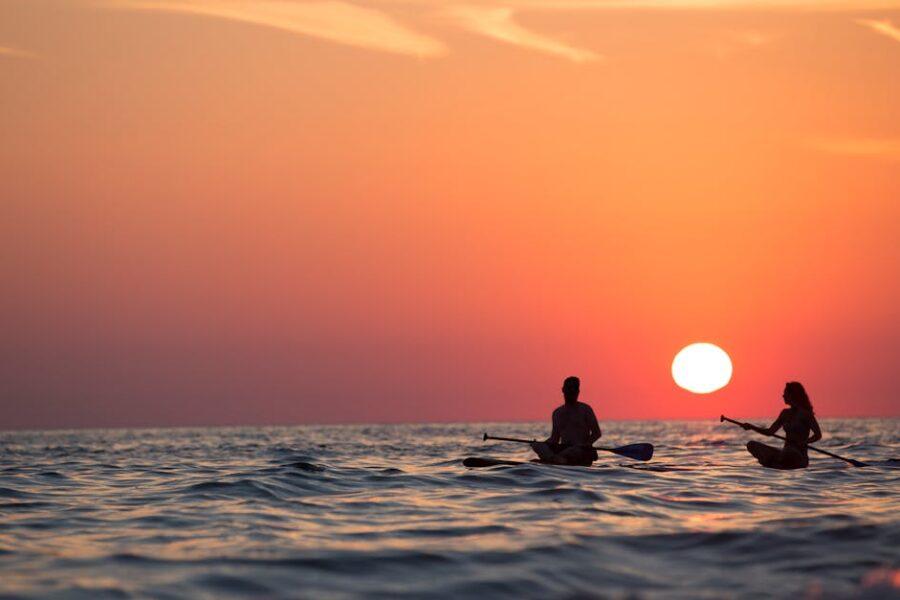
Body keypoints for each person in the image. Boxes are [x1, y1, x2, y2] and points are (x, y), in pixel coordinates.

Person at [743, 381, 822, 470]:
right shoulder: (785, 413)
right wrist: (751, 427)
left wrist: (804, 442)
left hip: (799, 456)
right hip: (785, 452)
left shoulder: (805, 414)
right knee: (752, 445)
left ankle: (775, 462)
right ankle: (776, 461)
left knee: (789, 452)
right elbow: (770, 432)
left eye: (785, 393)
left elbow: (818, 435)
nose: (783, 396)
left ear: (793, 395)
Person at [530, 376, 601, 466]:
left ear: (578, 391)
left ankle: (553, 459)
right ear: (563, 390)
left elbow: (597, 433)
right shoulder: (557, 413)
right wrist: (540, 444)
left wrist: (587, 443)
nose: (572, 391)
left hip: (580, 450)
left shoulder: (585, 409)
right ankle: (556, 459)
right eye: (569, 388)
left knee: (573, 451)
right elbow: (554, 439)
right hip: (563, 449)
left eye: (574, 388)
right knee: (539, 446)